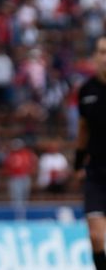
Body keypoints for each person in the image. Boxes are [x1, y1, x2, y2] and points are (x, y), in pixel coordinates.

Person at [75, 35, 106, 270]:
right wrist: (77, 163)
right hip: (96, 171)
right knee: (96, 237)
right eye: (101, 52)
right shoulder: (86, 90)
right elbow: (83, 129)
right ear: (94, 57)